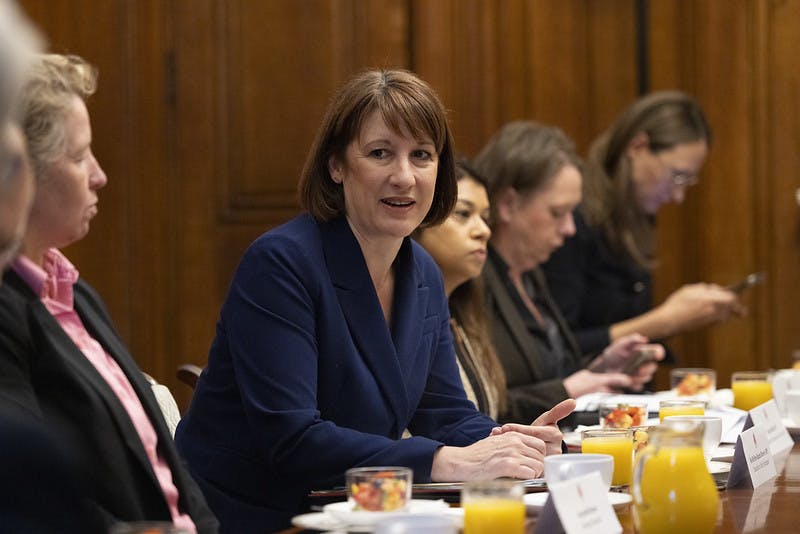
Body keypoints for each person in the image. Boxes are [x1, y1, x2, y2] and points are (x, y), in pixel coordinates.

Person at [175, 70, 575, 532]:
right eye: (380, 153)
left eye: (421, 155)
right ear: (337, 165)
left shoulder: (421, 269)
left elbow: (443, 413)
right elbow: (292, 439)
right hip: (253, 516)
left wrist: (511, 444)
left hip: (358, 513)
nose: (404, 177)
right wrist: (449, 462)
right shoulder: (282, 263)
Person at [0, 53, 217, 532]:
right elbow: (24, 497)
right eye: (79, 157)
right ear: (20, 174)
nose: (99, 175)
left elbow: (169, 469)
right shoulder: (7, 311)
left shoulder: (76, 294)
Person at [474, 120, 664, 423]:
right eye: (557, 213)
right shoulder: (471, 284)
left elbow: (551, 372)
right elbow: (477, 407)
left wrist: (600, 368)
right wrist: (565, 390)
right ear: (508, 204)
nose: (570, 229)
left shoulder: (530, 274)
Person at [541, 92, 744, 356]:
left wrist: (689, 315)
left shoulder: (635, 214)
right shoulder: (571, 221)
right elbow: (557, 351)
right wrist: (666, 320)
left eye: (687, 181)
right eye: (677, 176)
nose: (678, 196)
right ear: (637, 147)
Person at [414, 160, 506, 419]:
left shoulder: (464, 313)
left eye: (486, 218)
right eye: (464, 214)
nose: (484, 231)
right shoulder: (398, 315)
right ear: (419, 219)